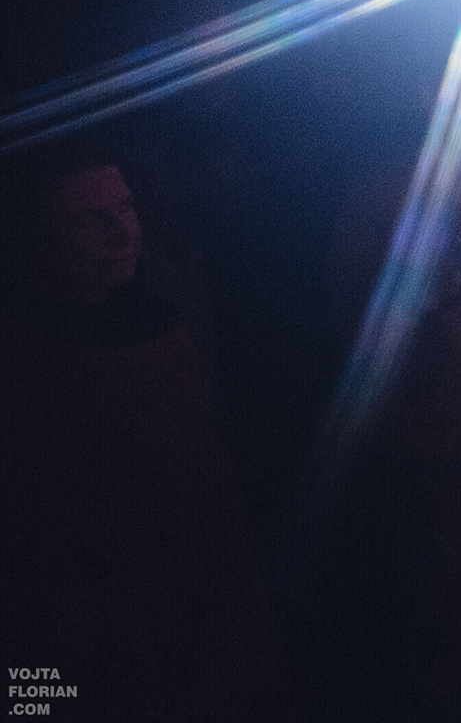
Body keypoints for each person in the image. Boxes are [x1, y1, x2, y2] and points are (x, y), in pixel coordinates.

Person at [0, 146, 299, 721]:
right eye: (91, 220)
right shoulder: (21, 355)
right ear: (33, 236)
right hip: (79, 604)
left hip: (187, 582)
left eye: (126, 209)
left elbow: (201, 458)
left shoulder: (158, 322)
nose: (122, 233)